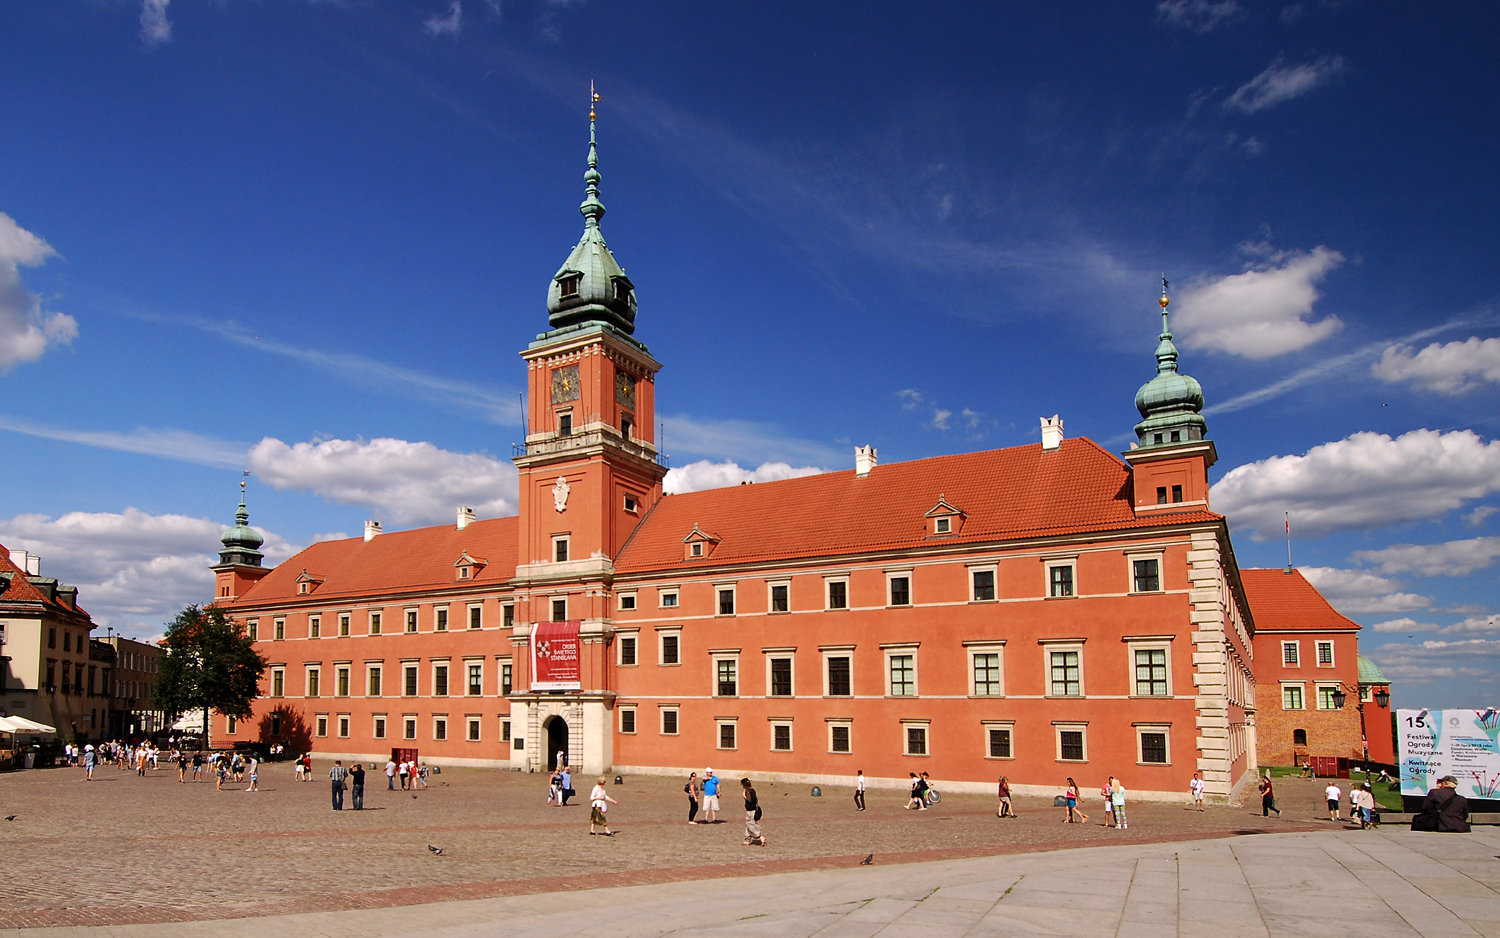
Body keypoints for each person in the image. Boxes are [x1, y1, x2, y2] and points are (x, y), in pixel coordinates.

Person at [741, 777, 765, 846]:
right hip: (754, 810)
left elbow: (749, 801)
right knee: (749, 825)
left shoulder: (747, 791)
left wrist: (744, 797)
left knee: (751, 825)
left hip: (750, 811)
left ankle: (760, 836)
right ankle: (747, 839)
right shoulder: (753, 790)